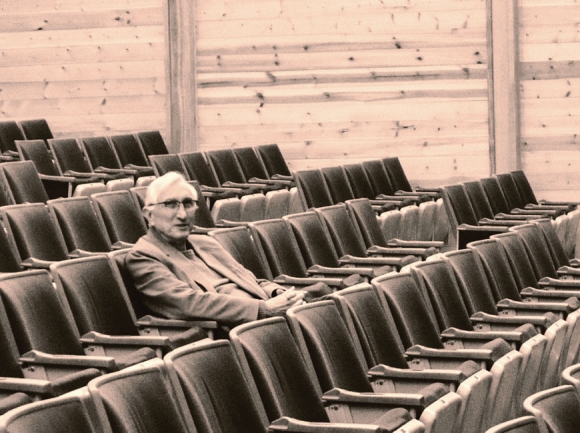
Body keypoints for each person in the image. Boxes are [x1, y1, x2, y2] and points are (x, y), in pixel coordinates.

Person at [126, 171, 307, 327]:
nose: (181, 214)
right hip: (233, 330)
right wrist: (264, 309)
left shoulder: (206, 243)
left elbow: (249, 280)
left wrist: (279, 294)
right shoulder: (143, 255)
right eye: (170, 204)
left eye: (188, 203)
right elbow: (187, 304)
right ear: (149, 215)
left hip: (267, 316)